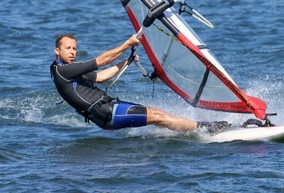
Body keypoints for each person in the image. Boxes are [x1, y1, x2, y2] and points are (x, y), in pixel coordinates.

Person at [50, 33, 229, 133]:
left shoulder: (71, 71)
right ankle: (207, 129)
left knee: (156, 114)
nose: (73, 51)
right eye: (68, 48)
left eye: (74, 48)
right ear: (57, 51)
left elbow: (102, 76)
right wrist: (127, 43)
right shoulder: (62, 70)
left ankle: (196, 128)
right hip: (105, 112)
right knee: (157, 116)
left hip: (108, 108)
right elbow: (102, 60)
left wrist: (126, 62)